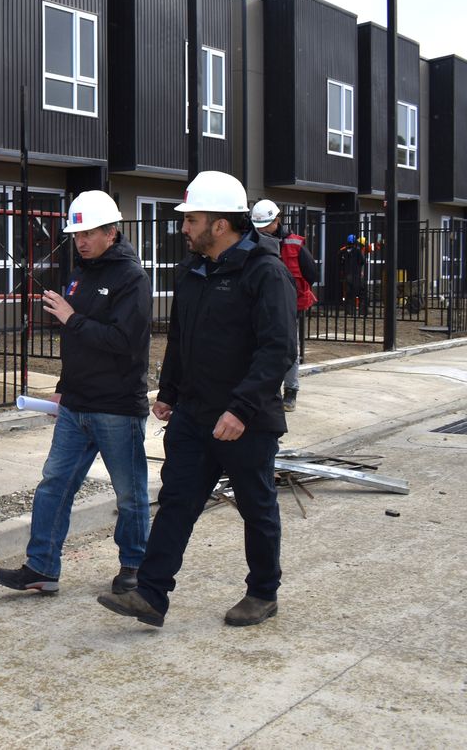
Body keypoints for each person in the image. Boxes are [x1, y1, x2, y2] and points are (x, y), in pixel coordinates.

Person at [97, 171, 296, 628]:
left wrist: (241, 409)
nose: (183, 227)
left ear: (221, 224)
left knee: (256, 506)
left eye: (192, 219)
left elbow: (277, 350)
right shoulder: (194, 271)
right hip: (195, 415)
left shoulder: (265, 272)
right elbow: (182, 338)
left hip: (246, 420)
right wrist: (169, 392)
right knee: (177, 501)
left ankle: (263, 592)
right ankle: (150, 594)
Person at [0, 191, 151, 595]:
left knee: (130, 494)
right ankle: (42, 567)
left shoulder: (131, 278)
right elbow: (76, 343)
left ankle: (135, 566)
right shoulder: (81, 274)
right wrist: (63, 389)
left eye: (88, 232)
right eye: (76, 232)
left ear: (111, 232)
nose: (79, 240)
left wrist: (71, 316)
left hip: (116, 406)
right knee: (54, 485)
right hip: (76, 405)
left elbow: (124, 341)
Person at [250, 199, 318, 412]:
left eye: (265, 225)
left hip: (289, 305)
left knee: (288, 348)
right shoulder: (251, 242)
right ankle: (266, 388)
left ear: (276, 221)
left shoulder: (294, 244)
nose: (261, 230)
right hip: (258, 303)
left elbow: (312, 274)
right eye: (258, 226)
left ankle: (290, 391)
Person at [338, 234, 369, 316]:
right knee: (362, 293)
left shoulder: (343, 251)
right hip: (356, 275)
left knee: (349, 294)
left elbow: (340, 262)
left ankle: (349, 311)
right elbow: (362, 261)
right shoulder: (358, 251)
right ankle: (362, 311)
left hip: (347, 276)